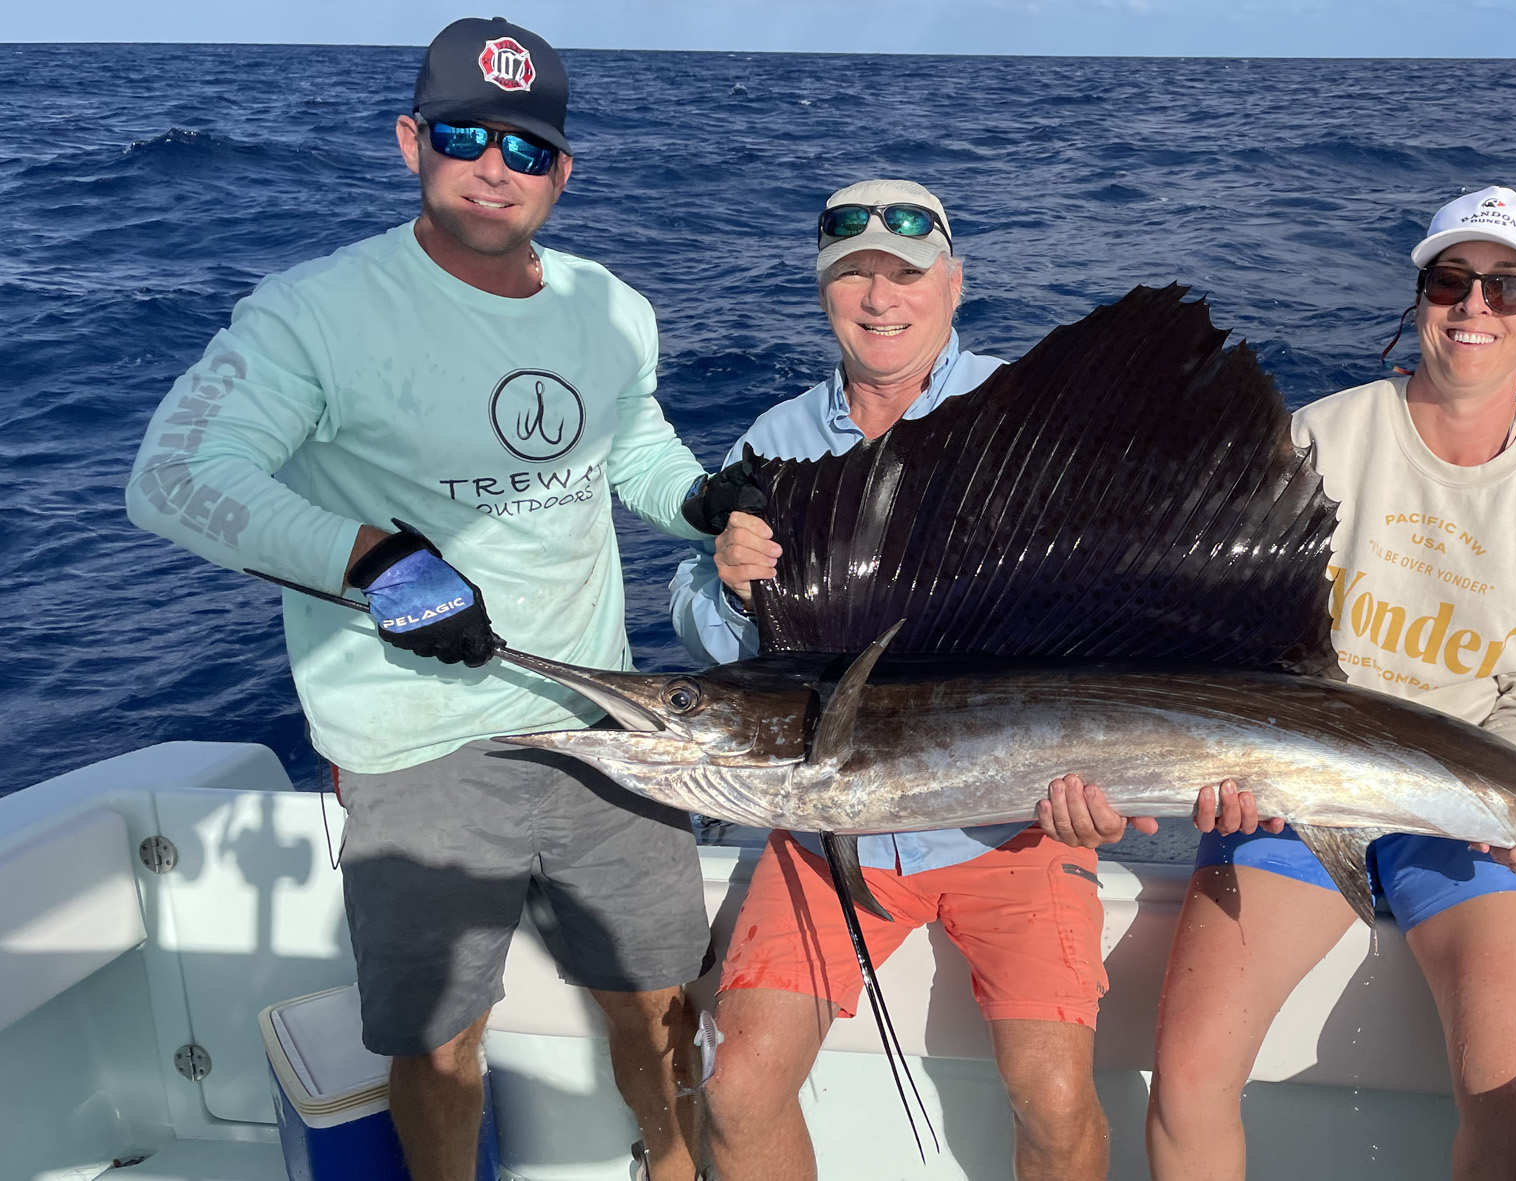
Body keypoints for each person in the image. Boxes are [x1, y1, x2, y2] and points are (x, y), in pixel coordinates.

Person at [124, 19, 719, 1181]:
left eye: (528, 147)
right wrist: (374, 561)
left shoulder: (612, 306)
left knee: (657, 999)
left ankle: (676, 1164)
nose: (495, 165)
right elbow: (174, 477)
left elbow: (634, 452)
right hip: (414, 742)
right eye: (463, 135)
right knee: (440, 1043)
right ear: (411, 142)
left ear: (563, 171)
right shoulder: (315, 311)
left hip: (606, 724)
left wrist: (707, 504)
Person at [1045, 186, 1516, 1181]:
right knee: (1186, 1076)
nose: (1473, 307)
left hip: (1469, 808)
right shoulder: (1317, 439)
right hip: (1290, 793)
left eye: (1506, 287)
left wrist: (1510, 796)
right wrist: (1238, 771)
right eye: (1450, 281)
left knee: (1508, 1099)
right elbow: (1235, 641)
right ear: (1419, 302)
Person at [667, 179, 1116, 1181]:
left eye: (905, 275)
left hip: (1017, 817)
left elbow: (1106, 616)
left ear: (953, 285)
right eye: (853, 277)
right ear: (824, 291)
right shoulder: (771, 445)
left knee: (1053, 1094)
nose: (879, 299)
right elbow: (711, 640)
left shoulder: (1024, 420)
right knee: (736, 1089)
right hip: (831, 821)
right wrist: (732, 595)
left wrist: (1110, 783)